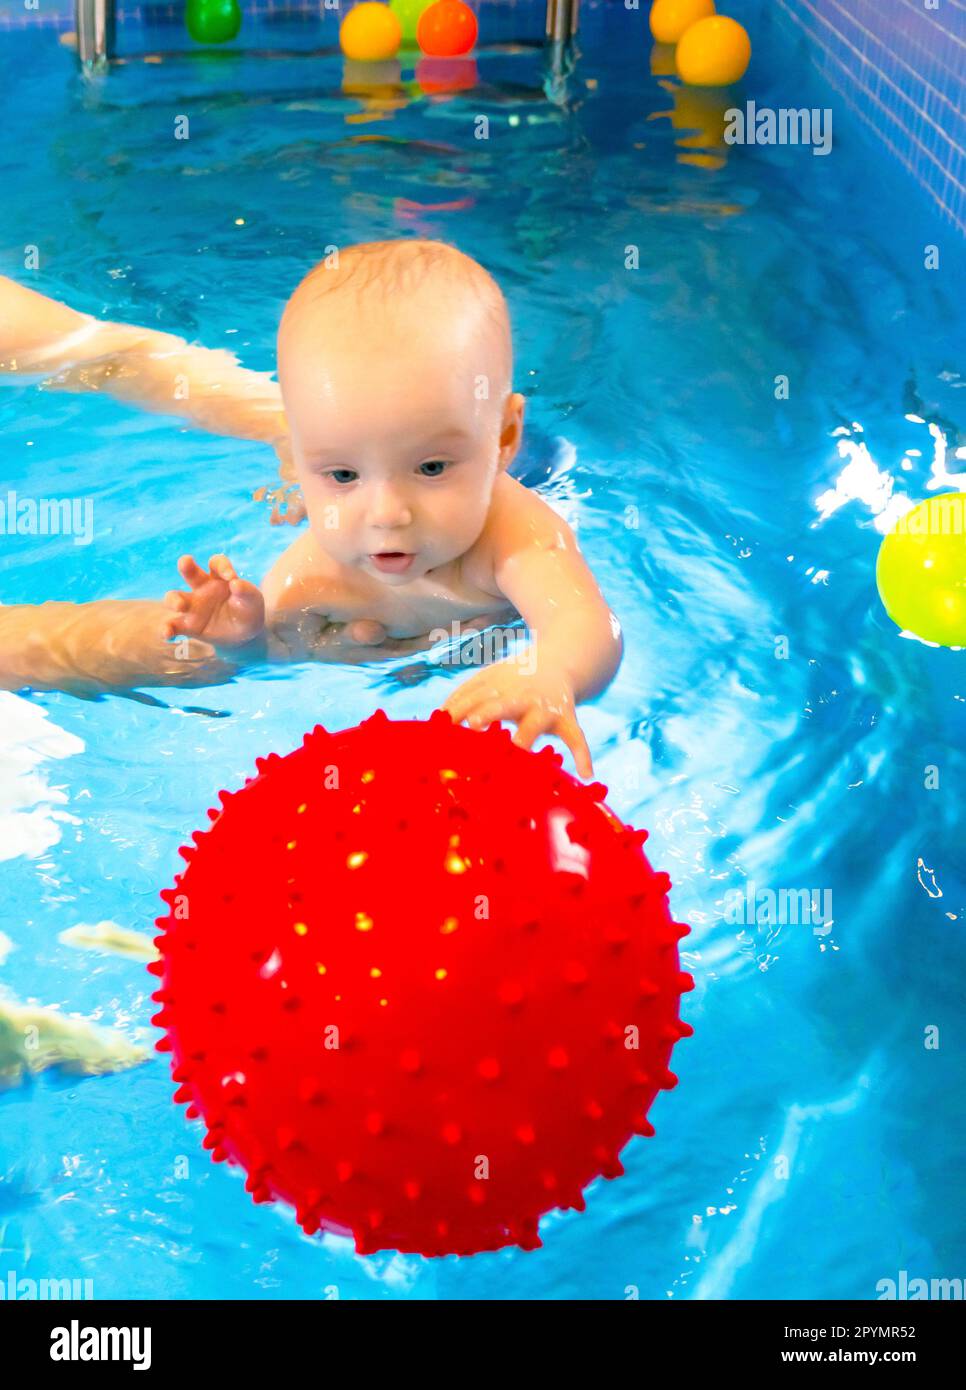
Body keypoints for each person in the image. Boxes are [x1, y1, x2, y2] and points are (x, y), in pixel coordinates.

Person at [0, 240, 622, 777]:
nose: (386, 514)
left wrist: (550, 673)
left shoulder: (517, 535)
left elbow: (589, 626)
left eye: (431, 468)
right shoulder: (316, 568)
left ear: (503, 438)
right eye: (342, 474)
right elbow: (264, 659)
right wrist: (242, 638)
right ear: (298, 465)